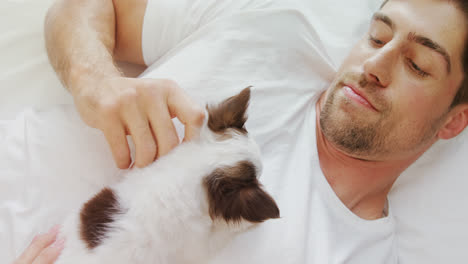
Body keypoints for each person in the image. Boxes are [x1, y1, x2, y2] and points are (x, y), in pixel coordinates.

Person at [16, 0, 468, 263]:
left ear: (453, 120)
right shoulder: (273, 27)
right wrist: (94, 80)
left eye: (416, 65)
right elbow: (85, 7)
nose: (374, 66)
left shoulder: (356, 254)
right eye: (376, 36)